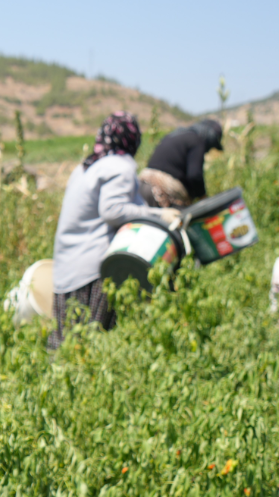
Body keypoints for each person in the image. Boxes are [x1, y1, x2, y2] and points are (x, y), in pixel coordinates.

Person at [49, 112, 179, 349]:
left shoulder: (86, 166)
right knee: (93, 344)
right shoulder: (121, 166)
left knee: (64, 344)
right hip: (92, 269)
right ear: (132, 140)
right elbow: (113, 210)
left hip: (65, 268)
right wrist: (160, 214)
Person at [139, 118, 224, 207]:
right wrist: (203, 197)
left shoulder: (175, 134)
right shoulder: (197, 140)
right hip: (164, 191)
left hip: (143, 185)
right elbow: (195, 175)